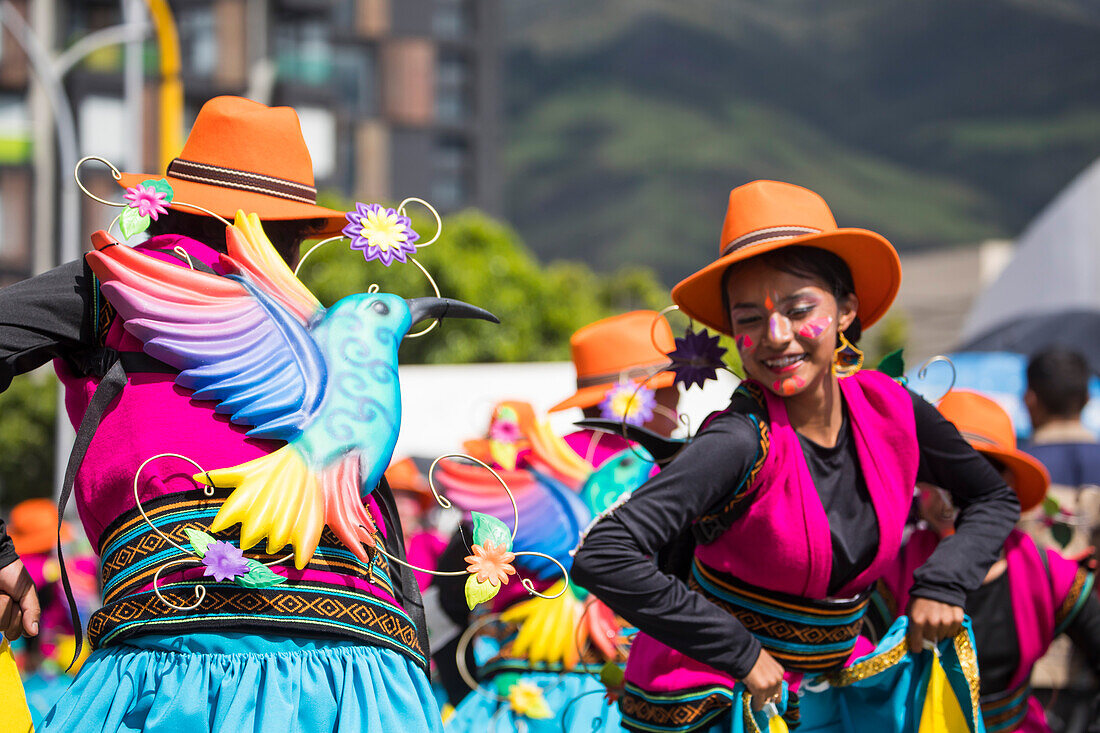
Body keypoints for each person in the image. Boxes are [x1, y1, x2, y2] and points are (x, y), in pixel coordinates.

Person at [0, 96, 450, 732]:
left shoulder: (117, 280)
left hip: (183, 673)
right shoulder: (321, 332)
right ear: (287, 235)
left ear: (171, 205)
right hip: (363, 683)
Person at [571, 180, 1020, 732]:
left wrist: (945, 581)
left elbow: (994, 496)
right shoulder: (737, 442)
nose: (777, 336)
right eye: (751, 319)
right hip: (712, 698)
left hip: (829, 693)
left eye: (798, 308)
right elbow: (603, 554)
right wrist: (740, 653)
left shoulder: (893, 412)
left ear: (847, 310)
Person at [874, 390, 1100, 733]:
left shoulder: (1047, 571)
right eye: (942, 475)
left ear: (1003, 485)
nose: (954, 493)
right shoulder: (889, 570)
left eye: (972, 475)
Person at [549, 310, 681, 465]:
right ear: (634, 404)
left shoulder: (554, 455)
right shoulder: (650, 466)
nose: (676, 423)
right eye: (673, 407)